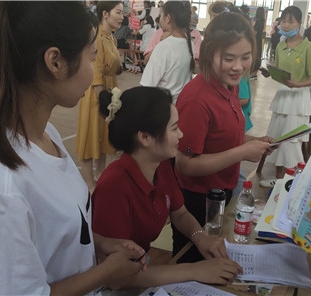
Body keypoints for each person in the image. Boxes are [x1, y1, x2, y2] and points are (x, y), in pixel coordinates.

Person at [0, 2, 147, 294]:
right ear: (55, 62)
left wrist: (97, 241)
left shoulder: (44, 136)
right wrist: (106, 272)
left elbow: (47, 230)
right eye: (90, 58)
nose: (92, 72)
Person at [92, 86, 243, 287]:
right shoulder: (114, 187)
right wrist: (194, 270)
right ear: (145, 138)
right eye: (174, 128)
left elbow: (179, 213)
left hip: (142, 269)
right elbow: (116, 276)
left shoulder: (161, 165)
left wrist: (201, 239)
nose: (181, 134)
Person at [173, 12, 274, 263]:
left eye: (245, 57)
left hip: (222, 194)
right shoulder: (197, 99)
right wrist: (242, 153)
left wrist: (252, 141)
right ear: (209, 54)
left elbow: (221, 138)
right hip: (197, 204)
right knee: (194, 265)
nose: (238, 66)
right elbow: (185, 164)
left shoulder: (229, 85)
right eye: (229, 58)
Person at [258, 6, 311, 188]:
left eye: (290, 21)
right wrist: (271, 73)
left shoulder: (308, 47)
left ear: (300, 23)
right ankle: (279, 183)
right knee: (277, 139)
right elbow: (280, 71)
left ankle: (290, 184)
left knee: (291, 142)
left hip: (298, 100)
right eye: (283, 21)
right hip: (283, 97)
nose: (285, 25)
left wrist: (297, 85)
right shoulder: (280, 45)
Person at [76, 1, 124, 191]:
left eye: (122, 13)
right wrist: (102, 96)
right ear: (105, 13)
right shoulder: (97, 36)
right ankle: (89, 183)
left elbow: (113, 65)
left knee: (104, 136)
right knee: (91, 136)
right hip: (96, 93)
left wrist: (116, 70)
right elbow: (95, 70)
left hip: (110, 89)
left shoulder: (111, 37)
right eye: (118, 12)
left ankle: (101, 176)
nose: (122, 16)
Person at [140, 1, 194, 103]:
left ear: (168, 18)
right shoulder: (190, 43)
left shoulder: (164, 47)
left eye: (161, 15)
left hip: (163, 109)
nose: (159, 19)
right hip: (181, 105)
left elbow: (146, 87)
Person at [252, 6, 266, 79]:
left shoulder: (258, 22)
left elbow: (254, 32)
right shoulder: (262, 21)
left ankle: (254, 73)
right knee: (258, 56)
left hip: (255, 40)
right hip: (259, 40)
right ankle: (255, 73)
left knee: (255, 56)